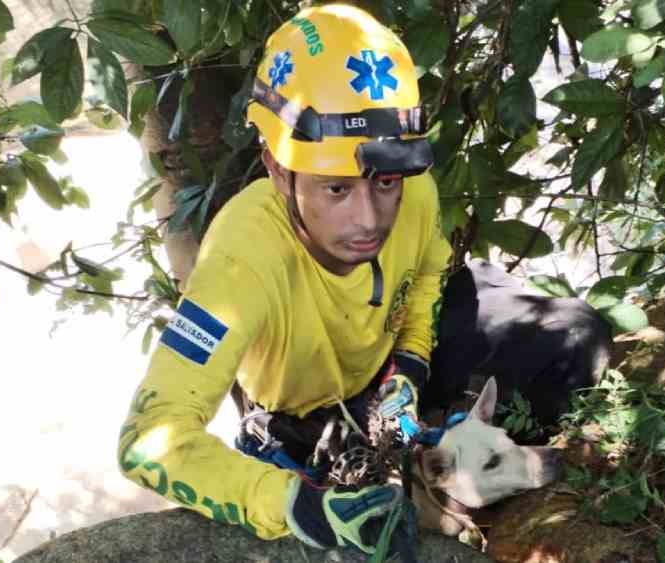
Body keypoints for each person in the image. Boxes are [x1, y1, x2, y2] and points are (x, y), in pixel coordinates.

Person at [118, 4, 452, 556]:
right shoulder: (241, 260)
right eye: (336, 190)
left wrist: (410, 367)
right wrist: (299, 507)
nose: (370, 220)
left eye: (384, 181)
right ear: (277, 168)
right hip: (295, 422)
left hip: (381, 382)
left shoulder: (417, 192)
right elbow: (149, 438)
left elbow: (430, 274)